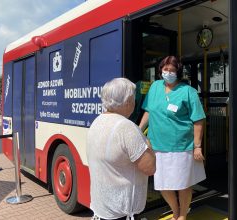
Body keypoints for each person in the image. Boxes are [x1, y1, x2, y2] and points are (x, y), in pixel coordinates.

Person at [139, 56, 206, 220]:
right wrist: (139, 130)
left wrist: (197, 146)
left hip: (181, 147)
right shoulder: (155, 87)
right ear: (160, 70)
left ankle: (182, 214)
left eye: (172, 69)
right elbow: (148, 111)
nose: (168, 72)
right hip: (157, 146)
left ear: (178, 72)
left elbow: (199, 119)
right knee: (162, 184)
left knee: (183, 183)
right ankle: (175, 210)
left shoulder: (188, 91)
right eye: (165, 69)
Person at [86, 78, 155, 220]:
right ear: (128, 101)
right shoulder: (127, 127)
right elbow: (149, 167)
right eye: (133, 98)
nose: (134, 102)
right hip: (122, 213)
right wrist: (148, 144)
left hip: (102, 209)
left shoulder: (97, 121)